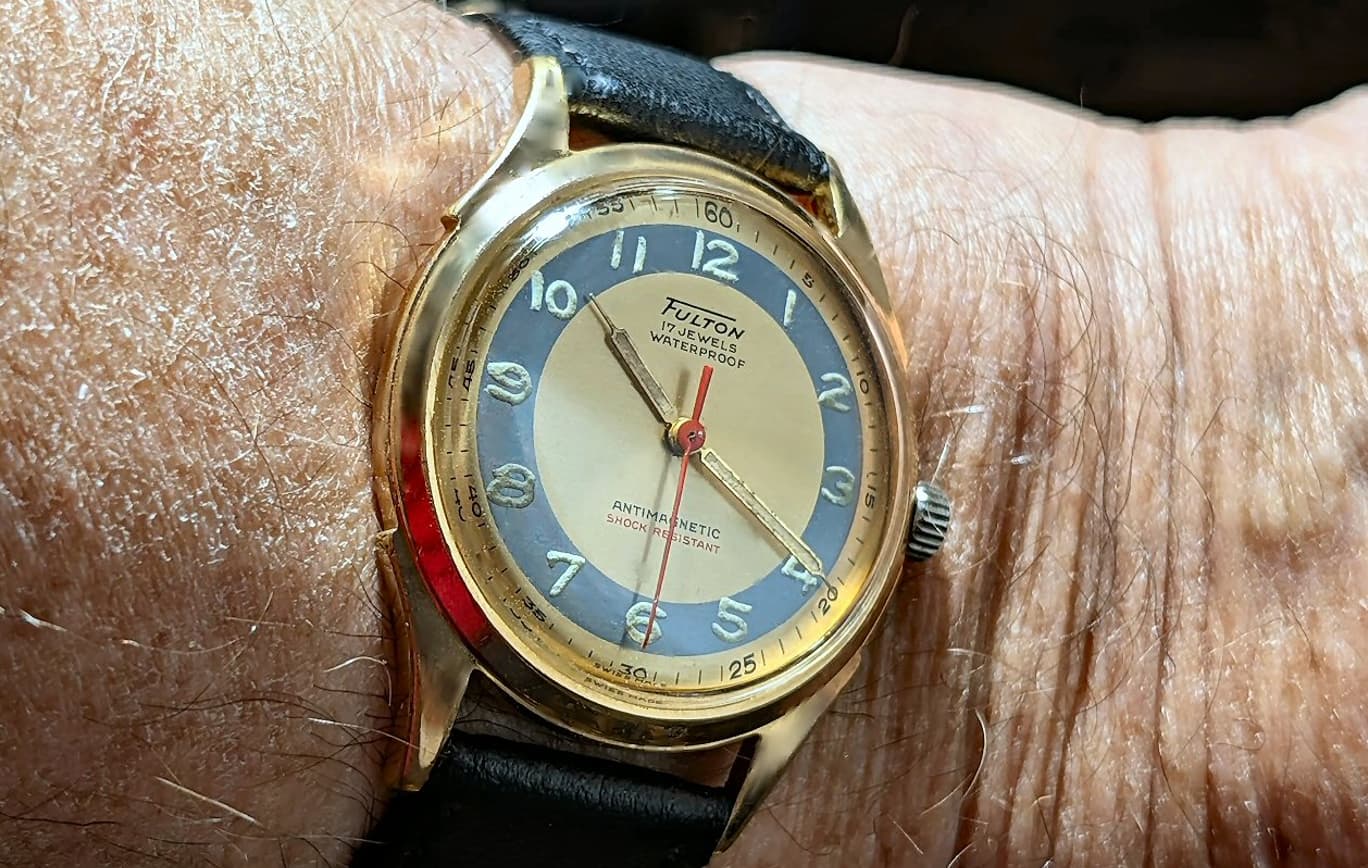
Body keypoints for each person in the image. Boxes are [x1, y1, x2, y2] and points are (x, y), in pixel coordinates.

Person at [2, 1, 1364, 865]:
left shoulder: (787, 632)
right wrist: (1122, 412)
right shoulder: (559, 172)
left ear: (908, 521)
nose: (686, 435)